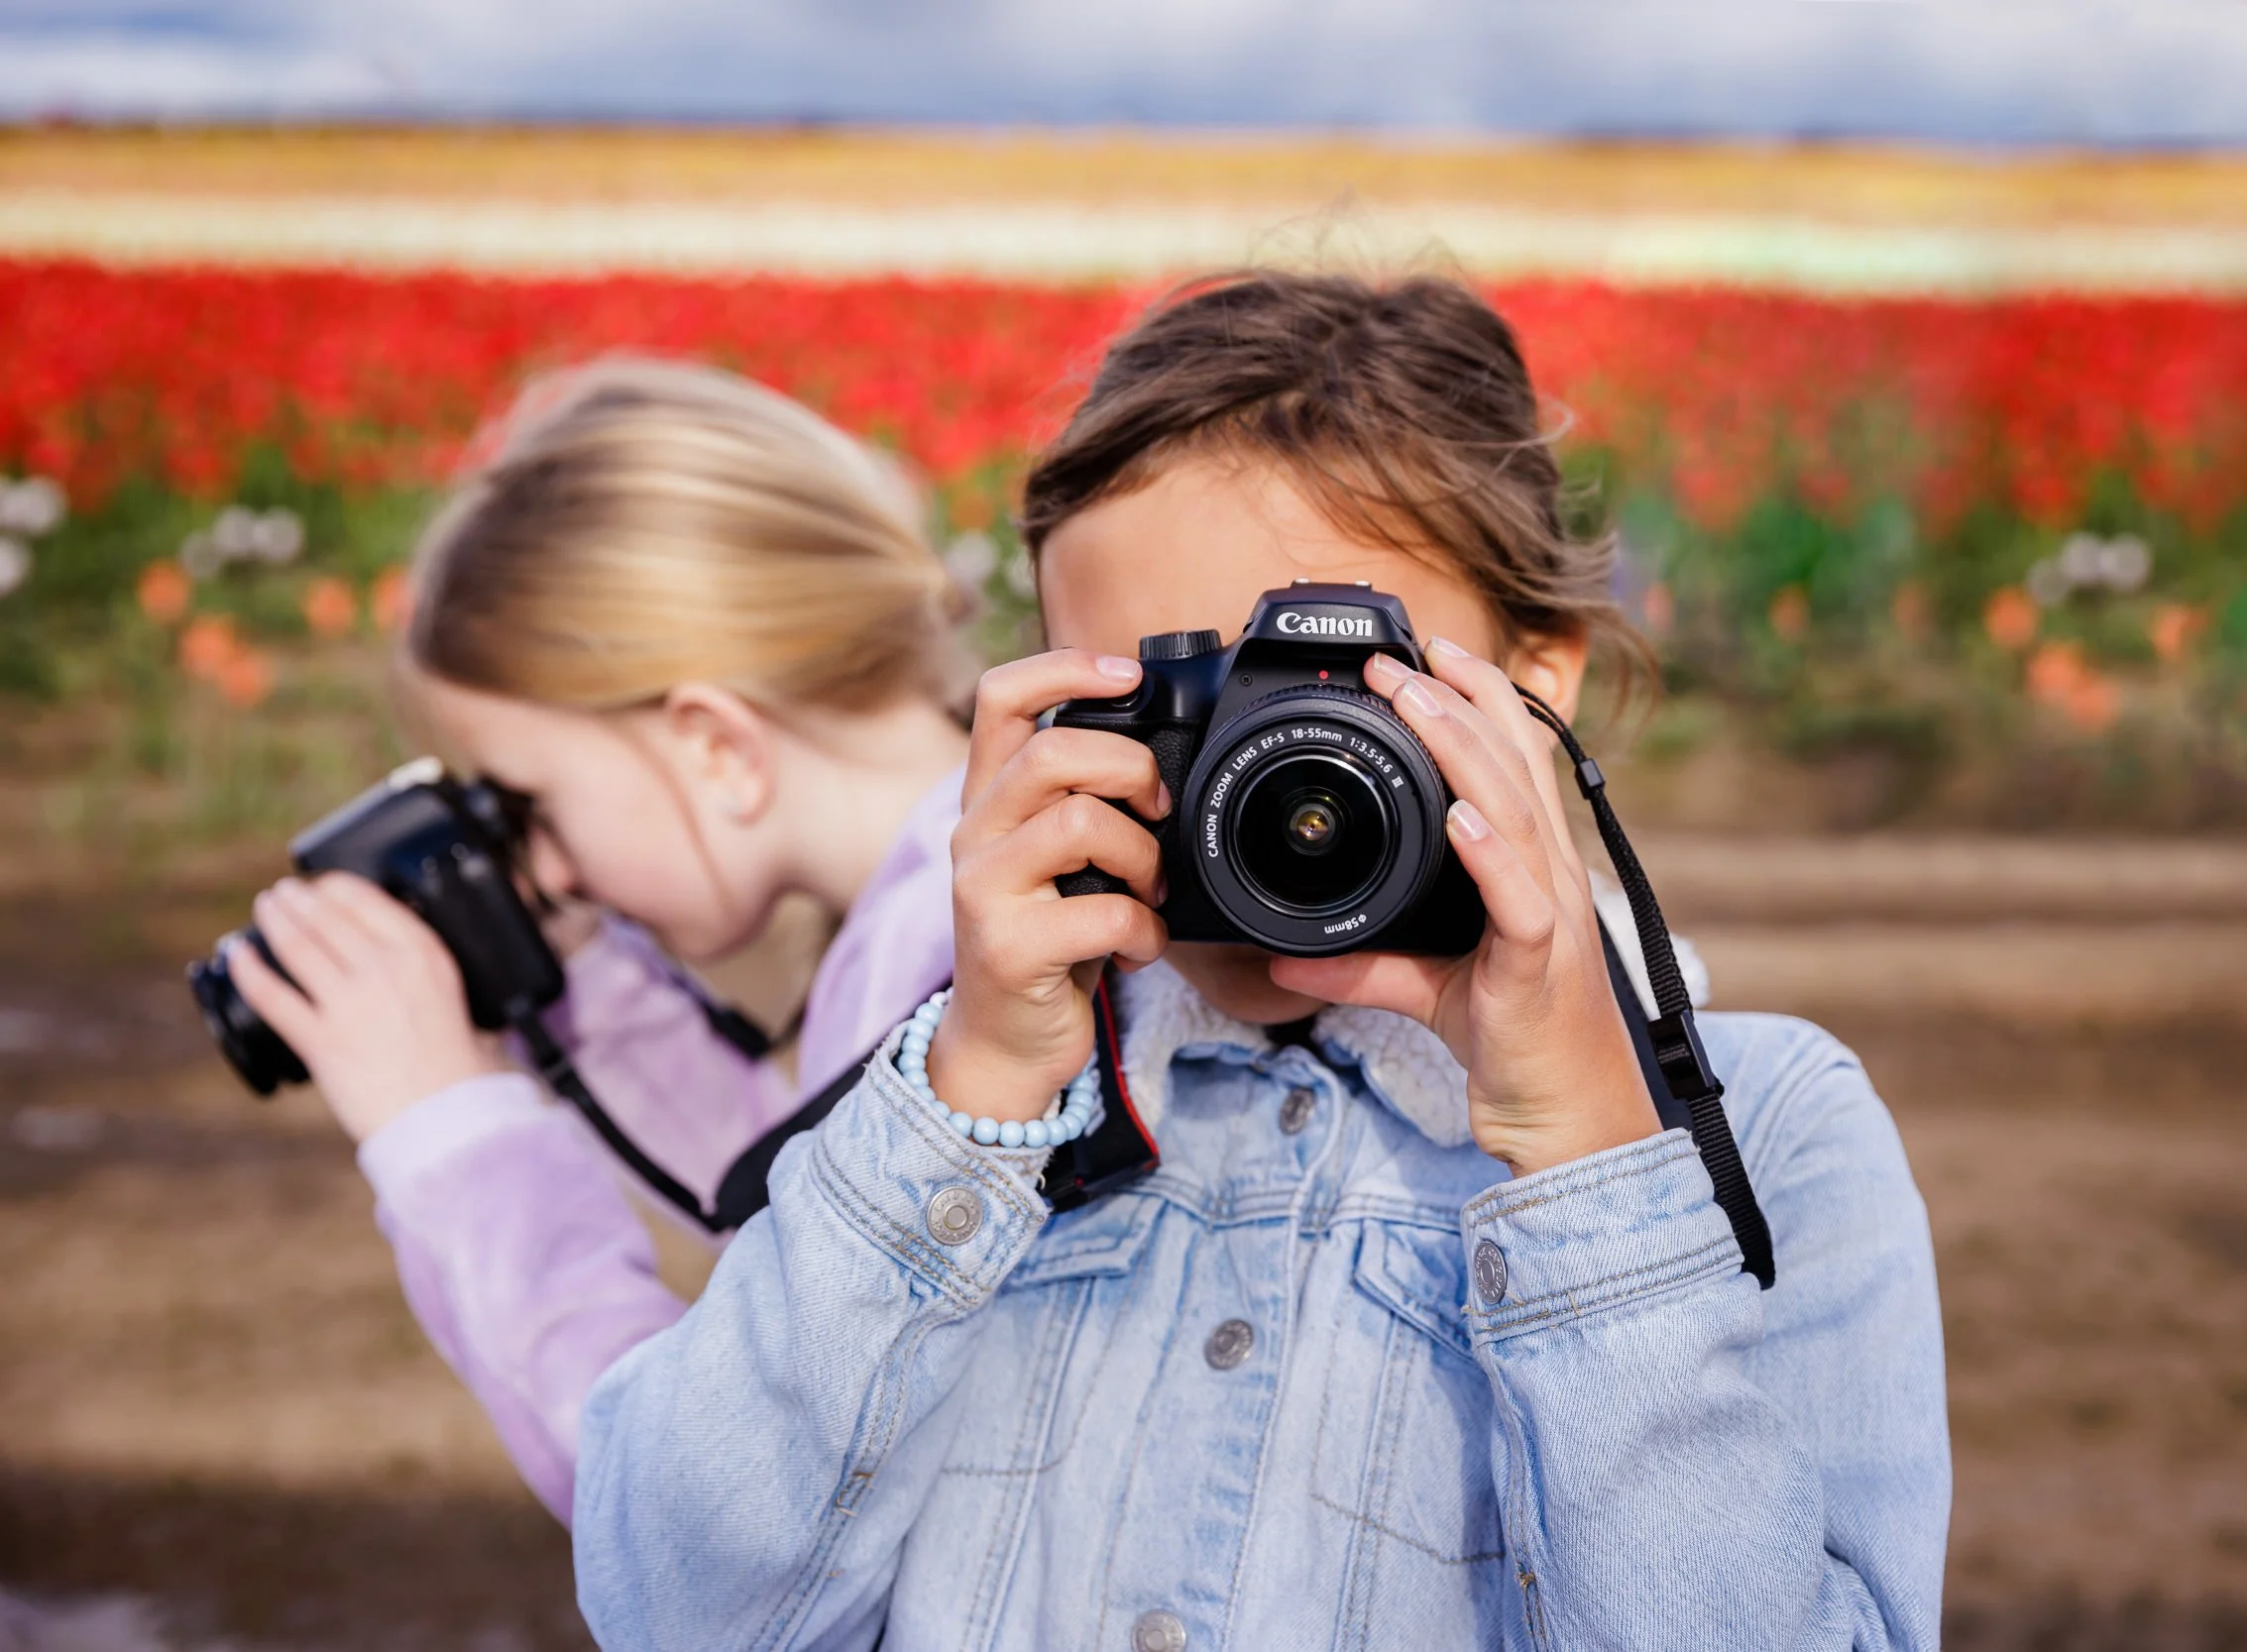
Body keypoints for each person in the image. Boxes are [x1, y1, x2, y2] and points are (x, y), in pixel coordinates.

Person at [573, 274, 1950, 1649]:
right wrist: (974, 1091)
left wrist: (1592, 1156)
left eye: (1341, 695)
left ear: (1542, 680)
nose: (1269, 764)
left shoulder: (1765, 1133)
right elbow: (672, 1611)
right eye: (1188, 695)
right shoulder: (973, 1114)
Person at [223, 359, 973, 1524]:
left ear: (715, 745)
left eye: (539, 807)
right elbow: (791, 1199)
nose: (552, 868)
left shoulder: (971, 978)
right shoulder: (969, 896)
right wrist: (567, 977)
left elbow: (716, 1511)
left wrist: (449, 1131)